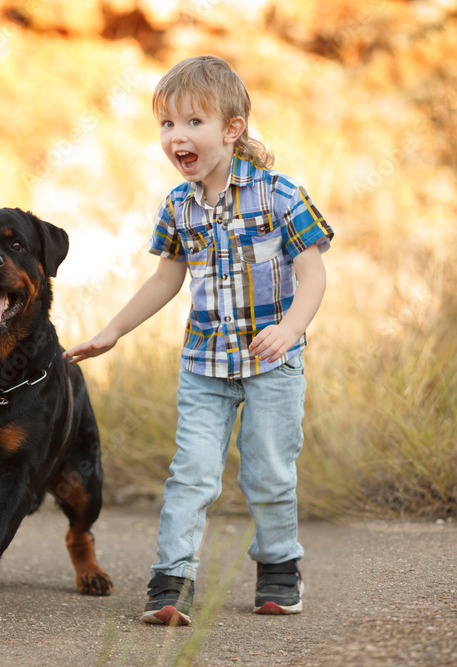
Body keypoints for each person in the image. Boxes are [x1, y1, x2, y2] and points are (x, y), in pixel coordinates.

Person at [63, 55, 333, 626]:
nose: (176, 137)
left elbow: (313, 273)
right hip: (204, 366)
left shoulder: (279, 196)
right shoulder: (178, 206)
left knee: (267, 473)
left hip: (272, 366)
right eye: (166, 125)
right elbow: (166, 277)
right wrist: (110, 332)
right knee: (192, 473)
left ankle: (280, 566)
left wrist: (289, 330)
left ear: (231, 129)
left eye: (192, 123)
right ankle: (172, 581)